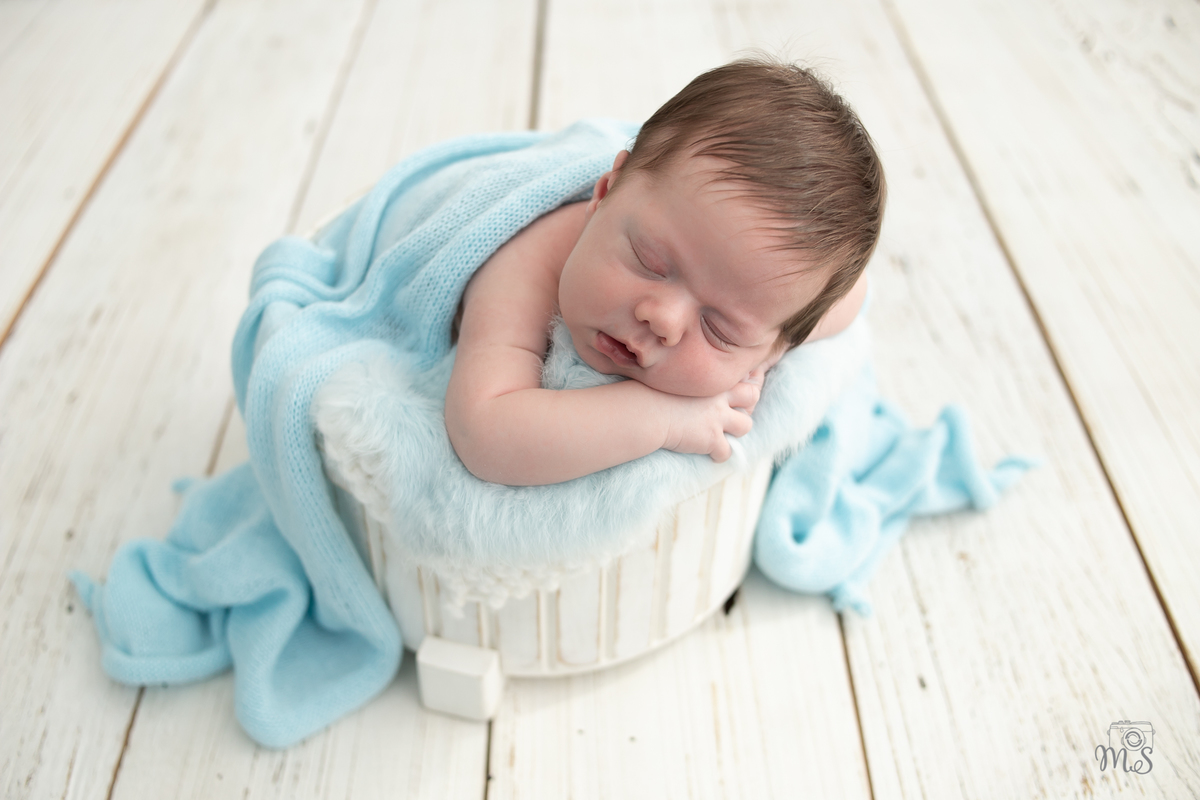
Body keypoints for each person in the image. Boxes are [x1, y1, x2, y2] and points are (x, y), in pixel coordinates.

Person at [445, 57, 885, 486]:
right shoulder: (527, 263)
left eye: (720, 330)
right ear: (604, 195)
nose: (663, 319)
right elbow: (483, 434)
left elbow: (855, 292)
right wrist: (664, 419)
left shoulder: (769, 297)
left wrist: (765, 351)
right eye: (649, 262)